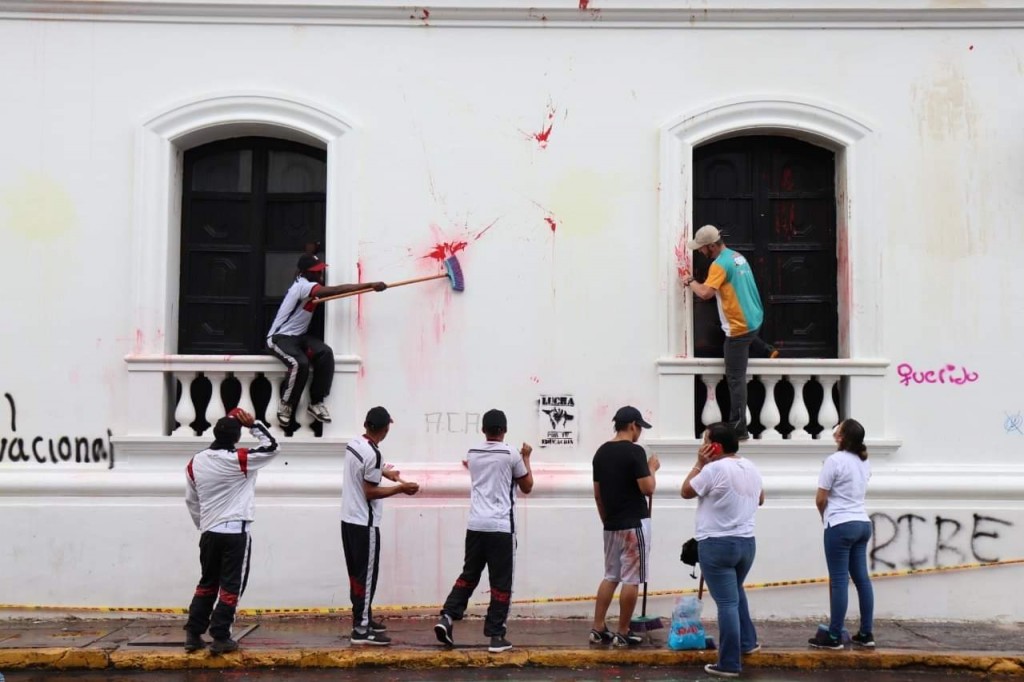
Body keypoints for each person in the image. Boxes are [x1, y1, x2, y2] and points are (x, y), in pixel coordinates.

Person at [434, 409, 534, 653]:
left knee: (469, 574)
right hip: (501, 527)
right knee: (501, 582)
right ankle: (496, 635)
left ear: (483, 430)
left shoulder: (473, 453)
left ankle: (447, 616)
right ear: (504, 430)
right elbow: (527, 485)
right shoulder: (511, 454)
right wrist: (527, 457)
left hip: (476, 525)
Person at [183, 408, 279, 654]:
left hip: (209, 531)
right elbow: (272, 446)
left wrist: (203, 525)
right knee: (231, 585)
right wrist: (254, 424)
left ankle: (193, 633)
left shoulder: (196, 462)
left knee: (207, 583)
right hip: (235, 531)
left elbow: (191, 501)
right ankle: (220, 635)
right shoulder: (239, 460)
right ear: (237, 437)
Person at [267, 252, 387, 429]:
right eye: (315, 272)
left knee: (325, 353)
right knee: (300, 363)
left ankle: (316, 402)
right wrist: (370, 285)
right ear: (304, 273)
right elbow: (336, 290)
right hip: (279, 338)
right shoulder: (302, 286)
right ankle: (286, 404)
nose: (320, 275)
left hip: (299, 337)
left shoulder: (306, 283)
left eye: (320, 271)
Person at [682, 422, 764, 678]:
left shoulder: (713, 468)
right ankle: (747, 642)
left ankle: (729, 662)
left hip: (717, 544)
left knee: (727, 602)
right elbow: (760, 498)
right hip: (746, 543)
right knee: (736, 593)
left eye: (705, 440)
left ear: (714, 446)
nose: (702, 445)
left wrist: (699, 463)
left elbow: (685, 491)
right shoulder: (750, 466)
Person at [684, 225, 776, 441]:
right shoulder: (737, 257)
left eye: (701, 249)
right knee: (745, 335)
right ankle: (766, 349)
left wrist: (690, 281)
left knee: (736, 378)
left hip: (738, 328)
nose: (699, 252)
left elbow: (706, 293)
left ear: (711, 246)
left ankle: (739, 426)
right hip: (754, 317)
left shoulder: (718, 265)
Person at [341, 406, 420, 645]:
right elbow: (370, 492)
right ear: (385, 429)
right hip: (365, 524)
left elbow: (367, 468)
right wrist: (400, 488)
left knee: (357, 575)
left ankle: (363, 618)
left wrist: (386, 472)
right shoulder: (373, 454)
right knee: (366, 577)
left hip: (348, 520)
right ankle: (361, 629)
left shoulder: (355, 444)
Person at [589, 406, 660, 648]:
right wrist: (652, 468)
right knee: (632, 579)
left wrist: (606, 521)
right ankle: (623, 631)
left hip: (611, 524)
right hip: (634, 524)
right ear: (632, 425)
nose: (640, 432)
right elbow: (647, 488)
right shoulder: (635, 452)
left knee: (611, 576)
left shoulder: (600, 453)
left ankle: (597, 628)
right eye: (639, 427)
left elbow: (598, 495)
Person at [808, 418, 875, 650]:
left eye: (839, 427)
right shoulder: (863, 461)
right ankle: (866, 633)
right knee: (862, 580)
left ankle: (834, 635)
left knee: (839, 581)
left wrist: (823, 516)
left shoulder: (834, 461)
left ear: (840, 437)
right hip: (862, 522)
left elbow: (821, 498)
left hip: (840, 523)